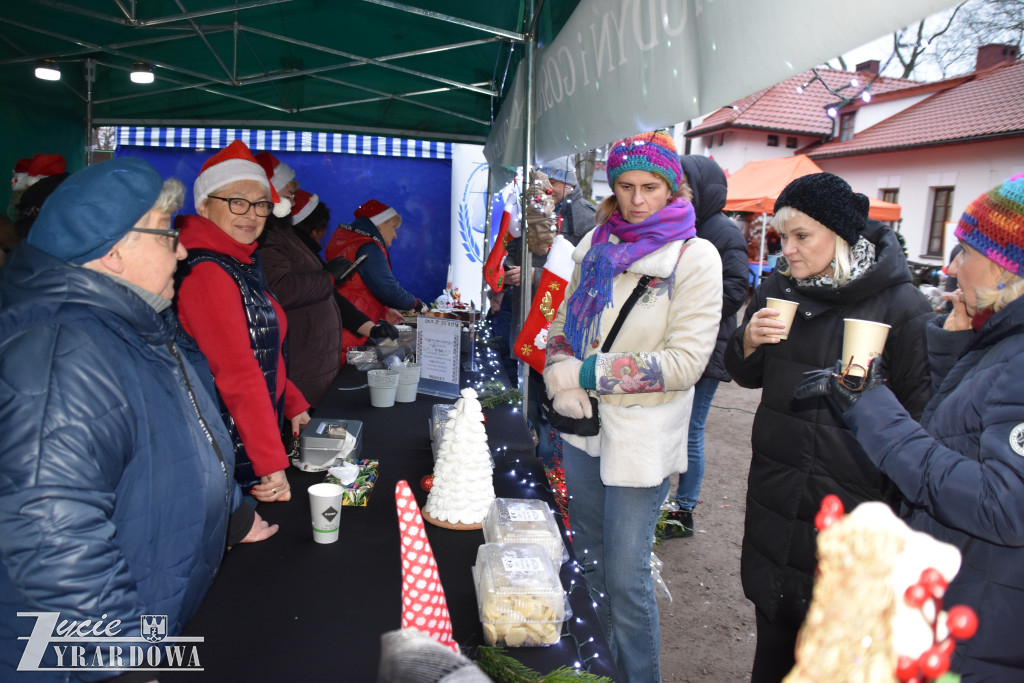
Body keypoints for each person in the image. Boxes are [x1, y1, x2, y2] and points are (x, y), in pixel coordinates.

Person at [0, 158, 276, 680]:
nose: (183, 247)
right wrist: (121, 661)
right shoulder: (63, 352)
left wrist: (232, 517)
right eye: (165, 235)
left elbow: (187, 433)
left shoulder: (136, 322)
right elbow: (51, 533)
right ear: (114, 252)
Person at [795, 174, 1024, 679]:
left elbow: (1004, 505)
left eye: (964, 251)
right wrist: (953, 345)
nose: (951, 266)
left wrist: (870, 407)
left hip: (983, 623)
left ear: (1008, 267)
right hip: (966, 597)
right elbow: (963, 430)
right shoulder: (1006, 340)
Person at [723, 172, 934, 682]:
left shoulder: (902, 308)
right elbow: (745, 374)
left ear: (840, 234)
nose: (787, 250)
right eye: (781, 237)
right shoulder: (777, 287)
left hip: (854, 509)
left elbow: (925, 423)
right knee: (772, 651)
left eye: (801, 236)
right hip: (778, 495)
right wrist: (747, 340)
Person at [543, 131, 723, 682]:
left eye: (650, 187)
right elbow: (560, 322)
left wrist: (588, 372)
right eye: (626, 186)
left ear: (673, 188)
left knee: (626, 576)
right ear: (612, 186)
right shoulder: (596, 242)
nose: (638, 199)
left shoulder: (696, 256)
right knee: (590, 564)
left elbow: (684, 363)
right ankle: (599, 670)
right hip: (583, 427)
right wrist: (558, 371)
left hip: (642, 441)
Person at [175, 140, 310, 502]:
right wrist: (269, 460)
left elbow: (260, 344)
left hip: (246, 434)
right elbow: (236, 370)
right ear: (204, 206)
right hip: (229, 447)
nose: (251, 214)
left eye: (261, 203)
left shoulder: (237, 261)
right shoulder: (208, 271)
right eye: (236, 201)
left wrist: (292, 399)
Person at [661, 155, 750, 539]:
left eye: (684, 183)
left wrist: (690, 311)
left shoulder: (723, 231)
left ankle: (684, 509)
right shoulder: (686, 225)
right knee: (672, 425)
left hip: (709, 346)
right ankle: (666, 504)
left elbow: (735, 290)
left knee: (691, 429)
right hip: (680, 342)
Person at [260, 189, 349, 407]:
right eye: (289, 190)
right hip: (302, 363)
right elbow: (280, 288)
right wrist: (328, 277)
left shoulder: (284, 236)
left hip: (312, 365)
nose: (293, 196)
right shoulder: (272, 238)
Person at [325, 199, 429, 351]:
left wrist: (384, 312)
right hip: (354, 331)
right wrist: (417, 304)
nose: (395, 235)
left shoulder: (350, 242)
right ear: (380, 225)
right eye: (393, 228)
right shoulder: (369, 248)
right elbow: (387, 290)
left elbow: (360, 287)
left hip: (340, 323)